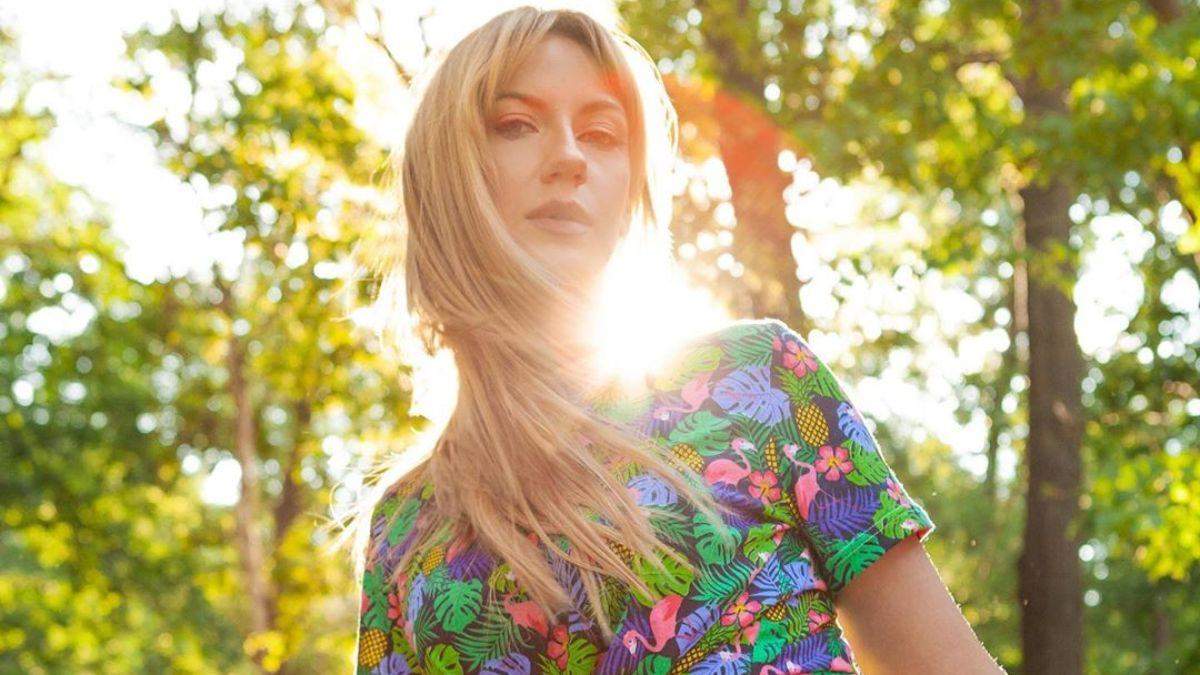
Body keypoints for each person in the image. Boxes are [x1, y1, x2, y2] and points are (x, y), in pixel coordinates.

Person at [351, 6, 1003, 674]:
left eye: (601, 133)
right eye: (516, 124)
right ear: (444, 174)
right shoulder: (404, 527)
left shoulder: (758, 382)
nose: (570, 156)